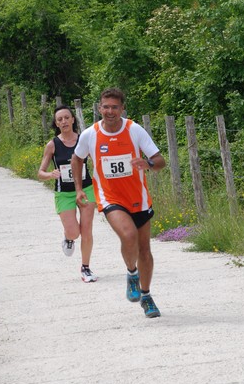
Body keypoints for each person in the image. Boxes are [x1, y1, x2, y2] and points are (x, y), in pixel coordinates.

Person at [71, 87, 166, 318]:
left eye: (115, 107)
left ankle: (146, 295)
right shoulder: (90, 135)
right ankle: (131, 273)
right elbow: (76, 158)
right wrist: (78, 189)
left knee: (145, 251)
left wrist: (148, 165)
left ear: (122, 109)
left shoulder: (134, 130)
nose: (110, 111)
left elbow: (160, 160)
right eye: (106, 107)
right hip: (109, 197)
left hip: (139, 198)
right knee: (128, 235)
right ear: (99, 108)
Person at [38, 105, 97, 283]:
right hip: (64, 193)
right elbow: (40, 172)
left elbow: (96, 161)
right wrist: (50, 174)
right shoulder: (52, 145)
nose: (63, 121)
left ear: (73, 119)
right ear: (56, 124)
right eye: (59, 119)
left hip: (86, 189)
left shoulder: (83, 140)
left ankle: (85, 268)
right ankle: (68, 237)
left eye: (66, 118)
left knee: (87, 231)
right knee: (74, 233)